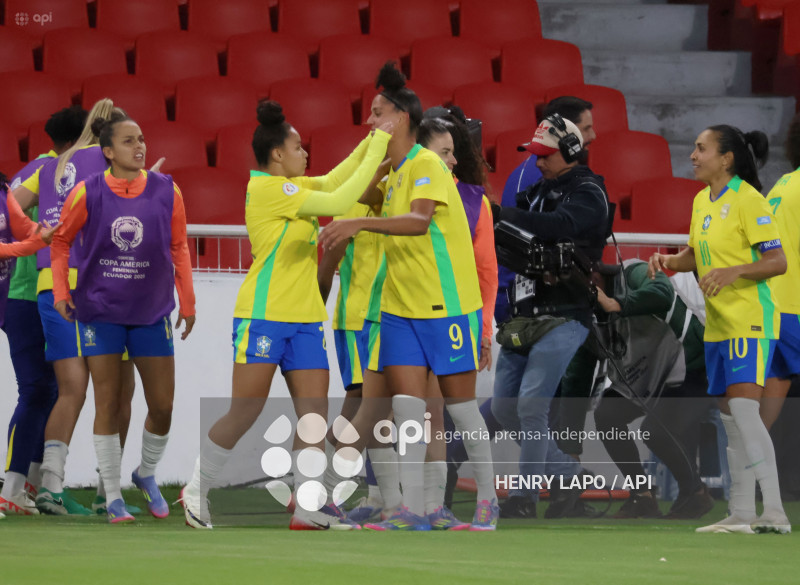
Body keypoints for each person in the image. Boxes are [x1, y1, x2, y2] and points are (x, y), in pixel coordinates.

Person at [180, 100, 393, 531]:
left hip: (306, 319)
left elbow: (334, 179)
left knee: (313, 415)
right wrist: (383, 140)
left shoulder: (293, 187)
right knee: (245, 410)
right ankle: (195, 490)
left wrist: (370, 140)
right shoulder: (268, 189)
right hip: (263, 316)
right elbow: (339, 196)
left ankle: (308, 506)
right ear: (277, 154)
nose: (305, 153)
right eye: (298, 147)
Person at [320, 62, 498, 531]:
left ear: (399, 118)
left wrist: (358, 221)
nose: (369, 122)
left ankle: (488, 500)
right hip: (398, 308)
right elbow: (368, 203)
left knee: (459, 410)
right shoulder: (397, 171)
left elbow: (419, 222)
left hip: (445, 305)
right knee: (406, 410)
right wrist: (372, 183)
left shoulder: (425, 164)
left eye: (376, 113)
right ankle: (412, 510)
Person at [50, 111, 196, 523]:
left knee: (162, 405)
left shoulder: (169, 190)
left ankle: (145, 473)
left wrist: (187, 302)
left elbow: (180, 246)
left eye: (142, 139)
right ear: (109, 151)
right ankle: (112, 495)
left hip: (151, 313)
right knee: (109, 403)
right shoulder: (87, 191)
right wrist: (62, 292)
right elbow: (60, 242)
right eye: (129, 141)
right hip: (101, 312)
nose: (140, 147)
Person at [648, 124, 791, 534]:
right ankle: (743, 513)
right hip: (718, 325)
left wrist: (735, 273)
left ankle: (775, 511)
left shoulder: (749, 200)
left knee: (746, 415)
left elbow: (777, 261)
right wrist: (670, 261)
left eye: (701, 149)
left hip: (750, 319)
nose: (693, 156)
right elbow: (698, 254)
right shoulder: (700, 201)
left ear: (726, 158)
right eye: (693, 148)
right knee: (731, 421)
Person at [13, 99, 140, 516]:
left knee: (70, 388)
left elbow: (11, 202)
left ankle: (48, 484)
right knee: (117, 389)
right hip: (100, 287)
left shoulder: (50, 165)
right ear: (110, 141)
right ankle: (108, 490)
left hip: (52, 285)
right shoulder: (107, 167)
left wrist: (37, 232)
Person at [490, 114, 610, 519]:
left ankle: (524, 498)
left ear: (571, 153)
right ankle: (568, 473)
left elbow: (561, 226)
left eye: (546, 155)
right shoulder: (537, 192)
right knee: (506, 409)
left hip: (565, 313)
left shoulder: (590, 192)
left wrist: (501, 216)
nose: (538, 163)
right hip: (525, 314)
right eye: (535, 155)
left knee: (529, 408)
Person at [0, 106, 86, 515]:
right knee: (38, 390)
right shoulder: (61, 172)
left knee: (50, 389)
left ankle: (28, 485)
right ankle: (13, 484)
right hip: (27, 292)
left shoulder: (34, 169)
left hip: (23, 292)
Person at [414, 112, 497, 528]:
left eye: (452, 153)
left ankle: (488, 498)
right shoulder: (399, 192)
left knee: (460, 413)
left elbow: (486, 272)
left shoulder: (474, 200)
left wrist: (484, 332)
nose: (450, 161)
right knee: (426, 415)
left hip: (454, 318)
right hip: (411, 316)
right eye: (442, 153)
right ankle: (429, 506)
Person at [592, 261, 715, 520]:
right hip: (651, 374)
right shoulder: (583, 309)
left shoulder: (632, 271)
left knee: (654, 431)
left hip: (694, 364)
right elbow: (580, 369)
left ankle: (696, 493)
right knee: (607, 414)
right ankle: (642, 497)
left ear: (595, 273)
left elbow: (662, 292)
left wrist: (617, 303)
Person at [496, 97, 596, 324]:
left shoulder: (538, 171)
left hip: (530, 304)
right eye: (586, 129)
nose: (592, 136)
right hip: (532, 308)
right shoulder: (543, 178)